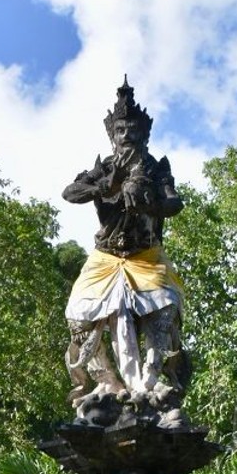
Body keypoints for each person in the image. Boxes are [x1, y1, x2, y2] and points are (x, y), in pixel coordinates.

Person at [63, 79, 187, 422]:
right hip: (105, 257)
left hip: (145, 257)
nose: (126, 135)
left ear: (143, 133)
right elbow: (70, 193)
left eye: (132, 129)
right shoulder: (104, 168)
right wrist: (108, 185)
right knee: (78, 317)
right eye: (120, 130)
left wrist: (149, 199)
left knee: (165, 313)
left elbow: (175, 204)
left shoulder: (156, 168)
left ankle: (149, 383)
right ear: (111, 134)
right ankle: (108, 382)